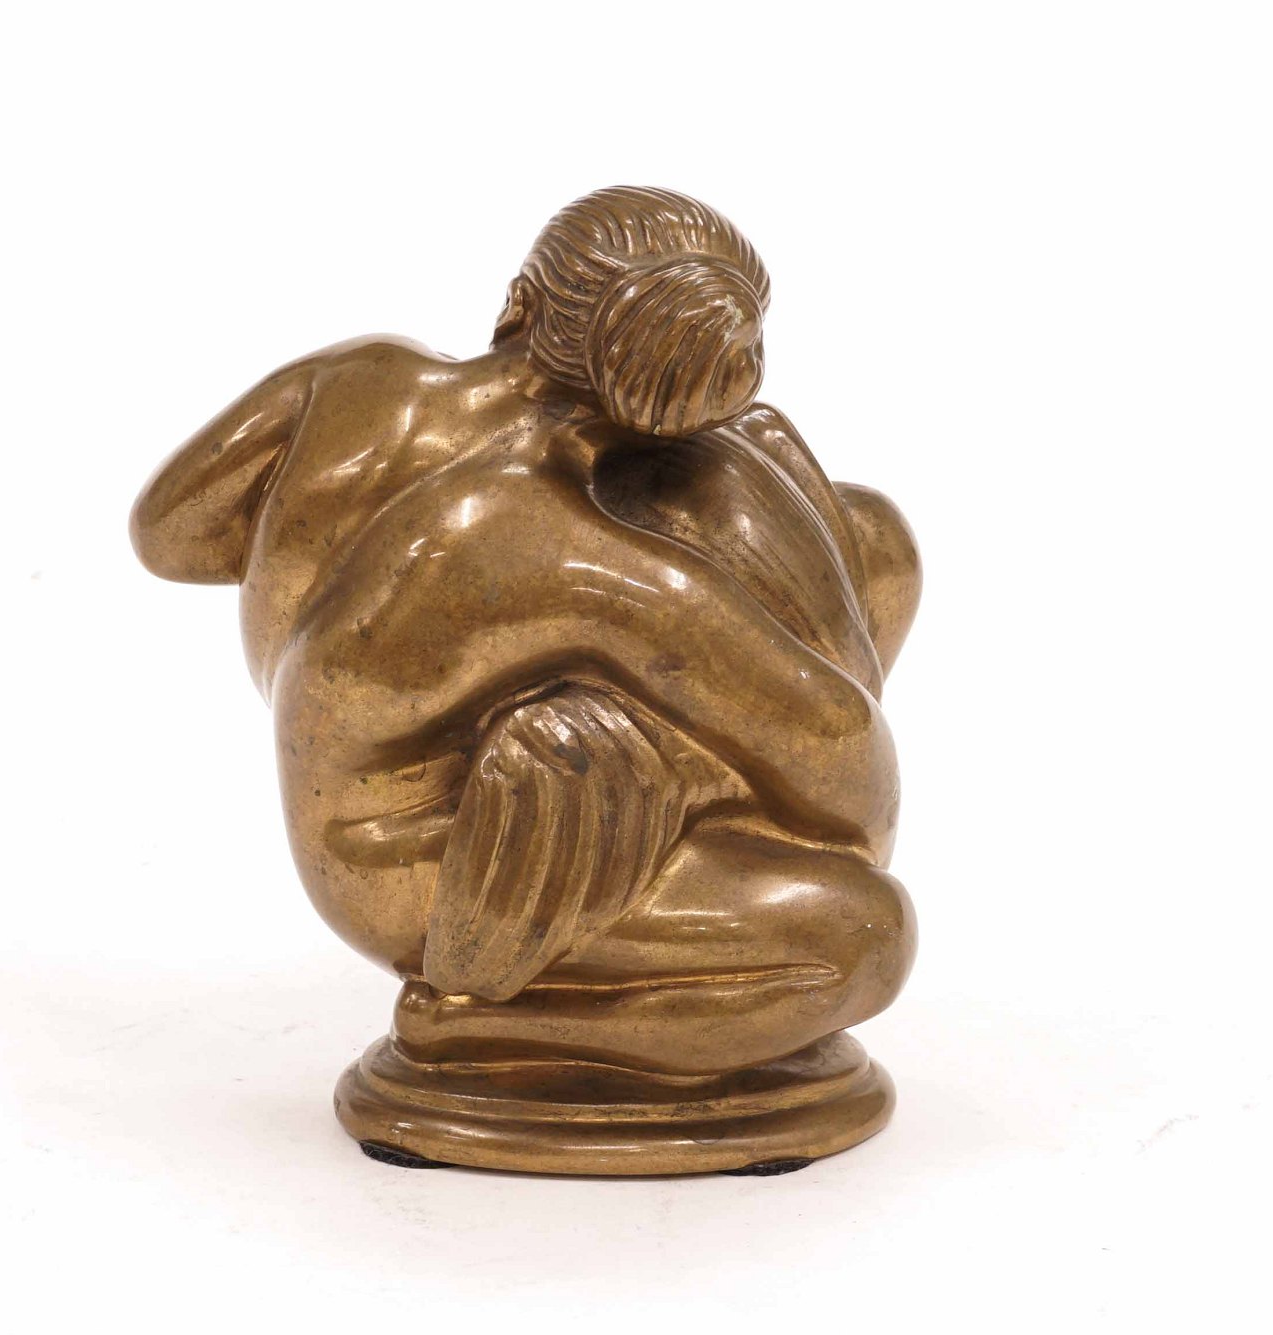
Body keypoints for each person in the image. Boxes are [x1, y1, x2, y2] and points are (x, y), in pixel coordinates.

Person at [132, 187, 919, 1077]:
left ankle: (645, 785)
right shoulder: (556, 543)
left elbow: (166, 535)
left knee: (872, 539)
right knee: (866, 933)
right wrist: (772, 510)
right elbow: (850, 774)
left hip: (352, 789)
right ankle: (474, 1028)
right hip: (428, 866)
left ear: (519, 303)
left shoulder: (357, 379)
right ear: (669, 418)